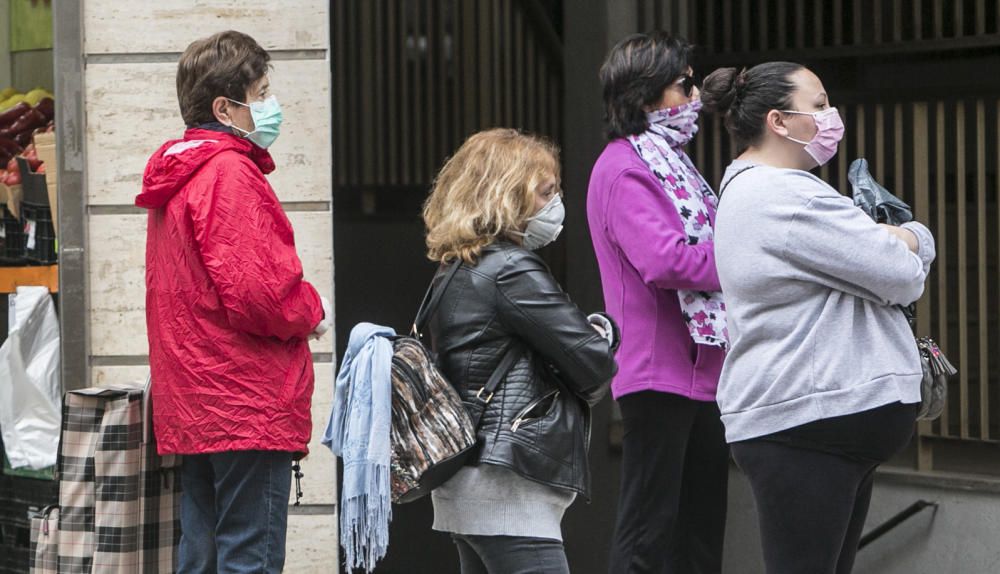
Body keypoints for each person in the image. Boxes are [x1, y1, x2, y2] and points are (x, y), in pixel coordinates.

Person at [701, 62, 935, 574]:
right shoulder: (783, 195)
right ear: (779, 122)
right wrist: (914, 236)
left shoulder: (769, 190)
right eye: (820, 103)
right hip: (803, 421)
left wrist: (882, 243)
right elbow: (900, 274)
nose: (831, 115)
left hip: (812, 423)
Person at [136, 31, 331, 573]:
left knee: (200, 554)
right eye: (261, 93)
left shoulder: (182, 174)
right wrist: (312, 310)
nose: (271, 107)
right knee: (249, 555)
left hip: (198, 401)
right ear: (225, 107)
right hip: (244, 399)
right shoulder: (228, 172)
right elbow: (261, 294)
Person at [421, 128, 619, 574]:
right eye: (546, 191)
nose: (556, 203)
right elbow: (593, 364)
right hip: (508, 485)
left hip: (468, 481)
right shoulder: (511, 269)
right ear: (507, 194)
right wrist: (604, 333)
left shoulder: (453, 270)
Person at [587, 32, 729, 574]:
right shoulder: (624, 167)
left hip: (703, 368)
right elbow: (666, 260)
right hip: (657, 371)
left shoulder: (672, 162)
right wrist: (747, 260)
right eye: (682, 85)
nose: (693, 96)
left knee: (698, 534)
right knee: (649, 532)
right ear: (645, 96)